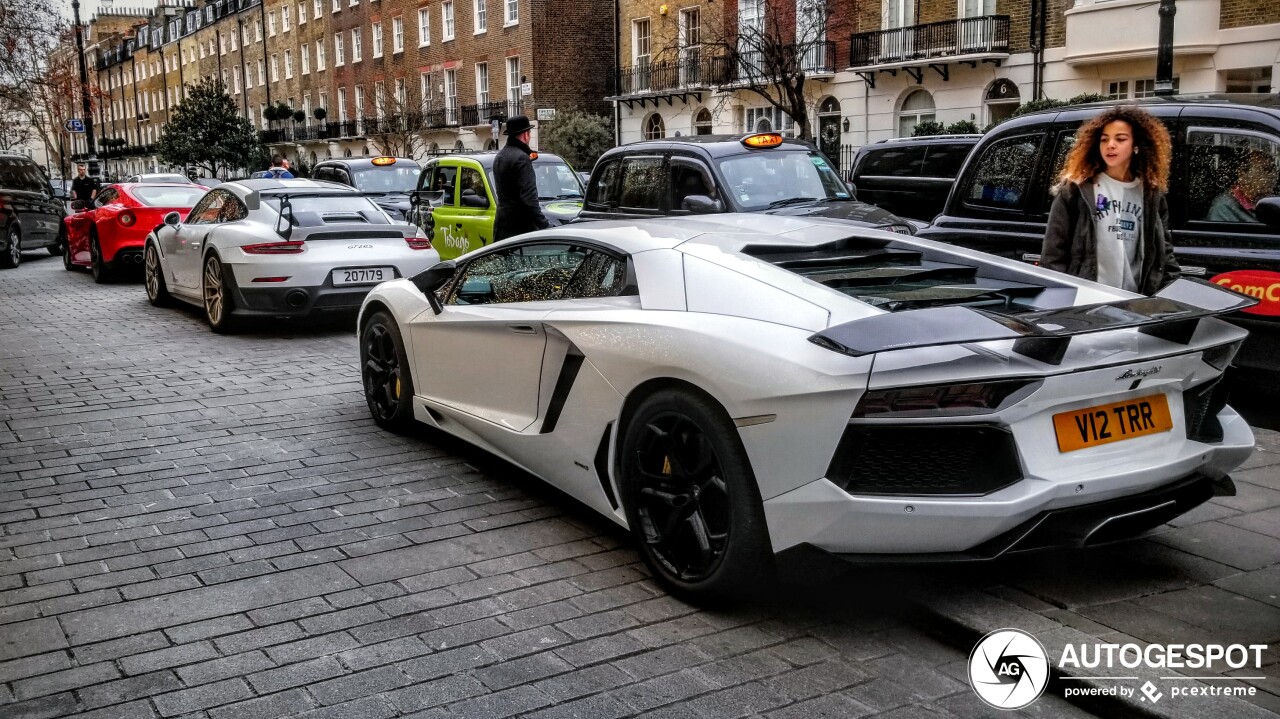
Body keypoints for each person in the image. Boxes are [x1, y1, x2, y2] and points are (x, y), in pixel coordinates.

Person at [1042, 105, 1179, 294]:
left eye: (1120, 139)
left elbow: (1164, 254)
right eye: (1104, 139)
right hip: (1086, 304)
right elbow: (1053, 256)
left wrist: (1171, 295)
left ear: (1136, 145)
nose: (1110, 145)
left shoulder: (1151, 195)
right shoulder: (1075, 191)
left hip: (1133, 303)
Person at [492, 115, 550, 242]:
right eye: (529, 133)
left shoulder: (499, 157)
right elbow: (529, 199)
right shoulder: (521, 158)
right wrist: (545, 225)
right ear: (525, 135)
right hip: (521, 230)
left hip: (501, 227)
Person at [1206, 150, 1278, 223]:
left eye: (1274, 170)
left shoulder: (1273, 201)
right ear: (1242, 174)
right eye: (1265, 169)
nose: (1273, 175)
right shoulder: (1224, 208)